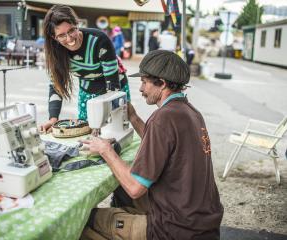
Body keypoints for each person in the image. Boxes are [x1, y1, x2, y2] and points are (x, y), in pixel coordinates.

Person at [80, 50, 224, 240]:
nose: (140, 89)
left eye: (145, 82)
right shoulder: (190, 113)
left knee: (84, 220)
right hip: (201, 224)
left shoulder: (162, 118)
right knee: (122, 194)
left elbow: (135, 187)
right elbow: (162, 142)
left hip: (174, 230)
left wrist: (105, 150)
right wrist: (132, 117)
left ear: (162, 83)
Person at [40, 5, 130, 132]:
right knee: (85, 129)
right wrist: (53, 119)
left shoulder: (99, 41)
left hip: (114, 84)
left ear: (77, 24)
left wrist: (105, 119)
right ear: (54, 37)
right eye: (62, 35)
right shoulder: (55, 51)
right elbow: (56, 87)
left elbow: (113, 88)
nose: (69, 39)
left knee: (115, 128)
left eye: (72, 30)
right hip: (87, 87)